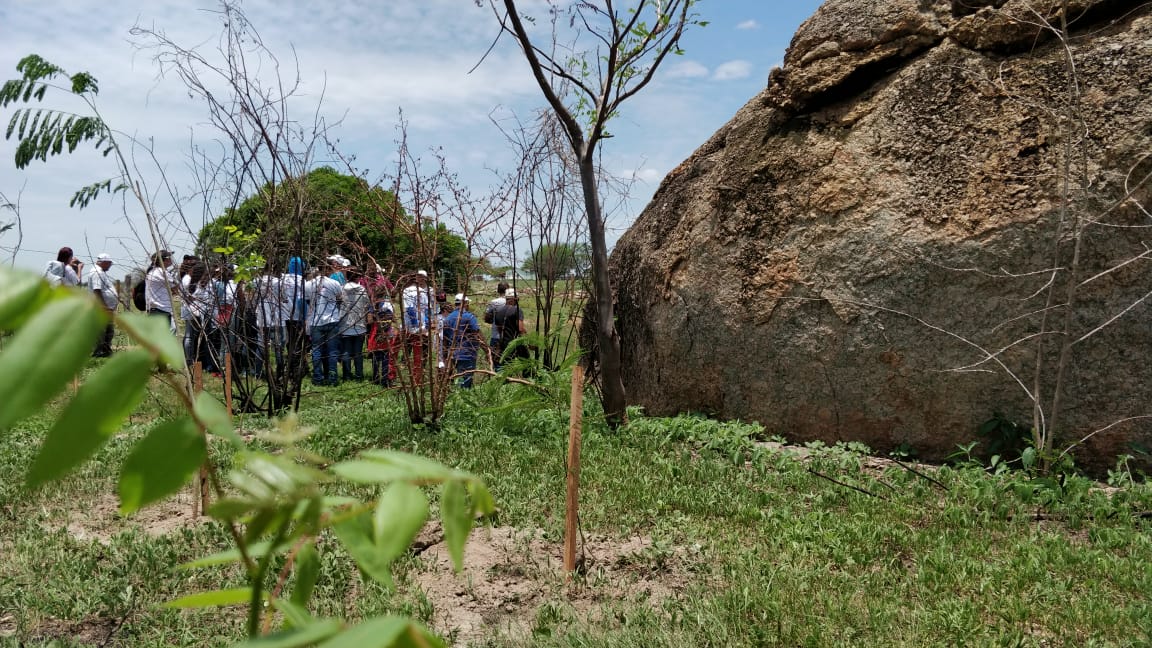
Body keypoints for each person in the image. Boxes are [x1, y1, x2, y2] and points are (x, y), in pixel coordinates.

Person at [180, 258, 219, 373]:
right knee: (197, 338)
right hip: (201, 312)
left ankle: (190, 360)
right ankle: (198, 361)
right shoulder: (203, 283)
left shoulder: (191, 282)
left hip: (191, 311)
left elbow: (188, 297)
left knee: (190, 337)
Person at [307, 269, 344, 386]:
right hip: (332, 319)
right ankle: (332, 377)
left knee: (316, 350)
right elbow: (340, 299)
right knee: (332, 350)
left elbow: (307, 301)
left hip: (315, 321)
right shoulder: (334, 283)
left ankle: (318, 377)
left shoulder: (308, 285)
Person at [442, 293, 481, 388]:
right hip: (467, 354)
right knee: (465, 381)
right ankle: (462, 399)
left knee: (457, 377)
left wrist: (445, 355)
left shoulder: (448, 318)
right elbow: (477, 333)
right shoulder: (469, 317)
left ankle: (456, 396)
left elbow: (445, 339)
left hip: (453, 353)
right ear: (466, 303)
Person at [401, 270, 434, 384]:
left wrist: (423, 323)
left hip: (417, 325)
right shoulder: (415, 291)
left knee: (418, 348)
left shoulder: (426, 291)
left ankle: (417, 373)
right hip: (416, 326)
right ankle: (414, 375)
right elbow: (414, 309)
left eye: (421, 277)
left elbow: (426, 308)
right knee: (413, 349)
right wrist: (420, 324)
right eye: (417, 276)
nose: (419, 278)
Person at [251, 269, 285, 378]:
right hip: (276, 320)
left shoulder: (256, 282)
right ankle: (280, 374)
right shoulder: (279, 282)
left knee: (261, 347)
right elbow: (284, 298)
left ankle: (257, 373)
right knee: (278, 347)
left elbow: (253, 299)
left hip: (262, 319)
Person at [339, 268, 369, 381]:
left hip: (345, 324)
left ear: (347, 277)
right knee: (358, 352)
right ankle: (359, 375)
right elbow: (366, 304)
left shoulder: (342, 289)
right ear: (357, 277)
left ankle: (346, 375)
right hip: (359, 324)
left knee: (346, 351)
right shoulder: (362, 289)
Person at [281, 256, 309, 383]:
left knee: (288, 343)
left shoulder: (282, 279)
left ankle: (289, 369)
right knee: (297, 344)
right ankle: (296, 371)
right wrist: (305, 317)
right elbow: (301, 300)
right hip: (297, 316)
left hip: (283, 315)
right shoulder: (301, 281)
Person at [88, 253, 117, 357]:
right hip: (101, 308)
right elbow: (97, 290)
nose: (110, 266)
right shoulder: (97, 272)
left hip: (107, 308)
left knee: (108, 330)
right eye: (109, 263)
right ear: (104, 262)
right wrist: (104, 306)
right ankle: (98, 352)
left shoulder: (101, 272)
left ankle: (106, 351)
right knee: (101, 330)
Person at [492, 288, 527, 372]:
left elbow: (499, 329)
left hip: (504, 344)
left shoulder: (499, 311)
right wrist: (528, 342)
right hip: (516, 343)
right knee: (527, 364)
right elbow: (520, 329)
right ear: (514, 299)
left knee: (506, 367)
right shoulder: (517, 310)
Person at [367, 300, 399, 387]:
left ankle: (376, 379)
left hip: (375, 336)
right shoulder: (389, 305)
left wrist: (374, 316)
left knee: (376, 360)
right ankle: (385, 381)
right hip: (387, 336)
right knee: (386, 360)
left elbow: (369, 321)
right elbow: (395, 320)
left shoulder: (373, 306)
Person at [145, 249, 178, 331]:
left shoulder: (154, 271)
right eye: (168, 258)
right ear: (163, 261)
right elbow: (175, 289)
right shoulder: (162, 272)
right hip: (160, 309)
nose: (170, 259)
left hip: (160, 308)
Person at [483, 281, 509, 367]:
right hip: (509, 336)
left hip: (495, 335)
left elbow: (486, 318)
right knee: (508, 363)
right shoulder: (511, 302)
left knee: (496, 361)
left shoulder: (494, 302)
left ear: (498, 291)